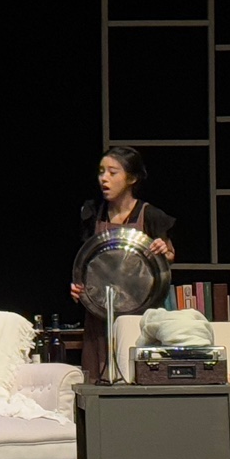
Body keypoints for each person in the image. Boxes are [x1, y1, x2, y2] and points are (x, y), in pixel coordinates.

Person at [70, 146, 176, 383]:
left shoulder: (150, 214)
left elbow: (169, 255)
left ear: (132, 178)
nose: (104, 178)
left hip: (139, 312)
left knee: (137, 376)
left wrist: (162, 249)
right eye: (101, 172)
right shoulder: (92, 213)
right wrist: (78, 287)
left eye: (112, 172)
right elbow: (87, 261)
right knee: (98, 378)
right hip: (100, 314)